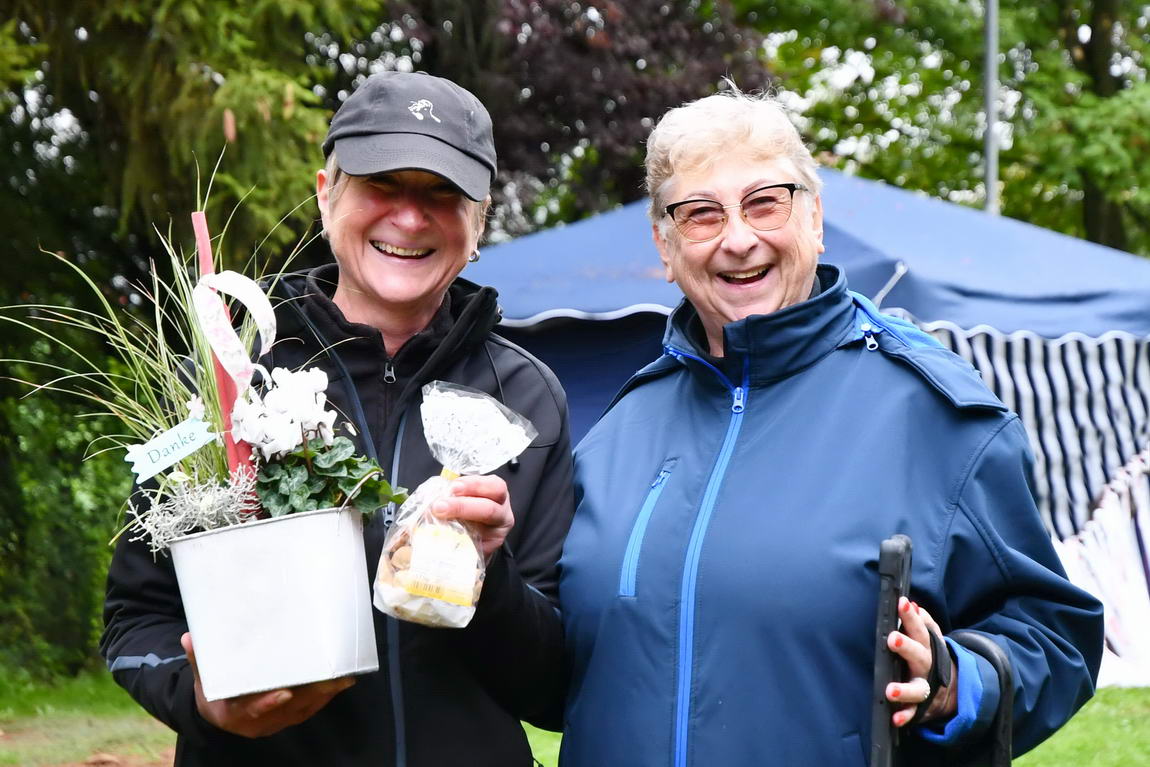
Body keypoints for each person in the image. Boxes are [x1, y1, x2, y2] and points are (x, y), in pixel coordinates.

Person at [558, 87, 1103, 765]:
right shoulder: (619, 431)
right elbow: (559, 668)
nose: (737, 238)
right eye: (700, 214)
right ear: (664, 246)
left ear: (815, 217)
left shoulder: (935, 414)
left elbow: (1056, 638)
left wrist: (956, 680)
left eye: (766, 201)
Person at [101, 71, 574, 766]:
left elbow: (553, 686)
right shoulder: (228, 377)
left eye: (443, 193)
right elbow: (134, 620)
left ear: (479, 221)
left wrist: (486, 573)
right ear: (327, 195)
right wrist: (202, 703)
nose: (410, 218)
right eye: (383, 183)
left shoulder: (528, 398)